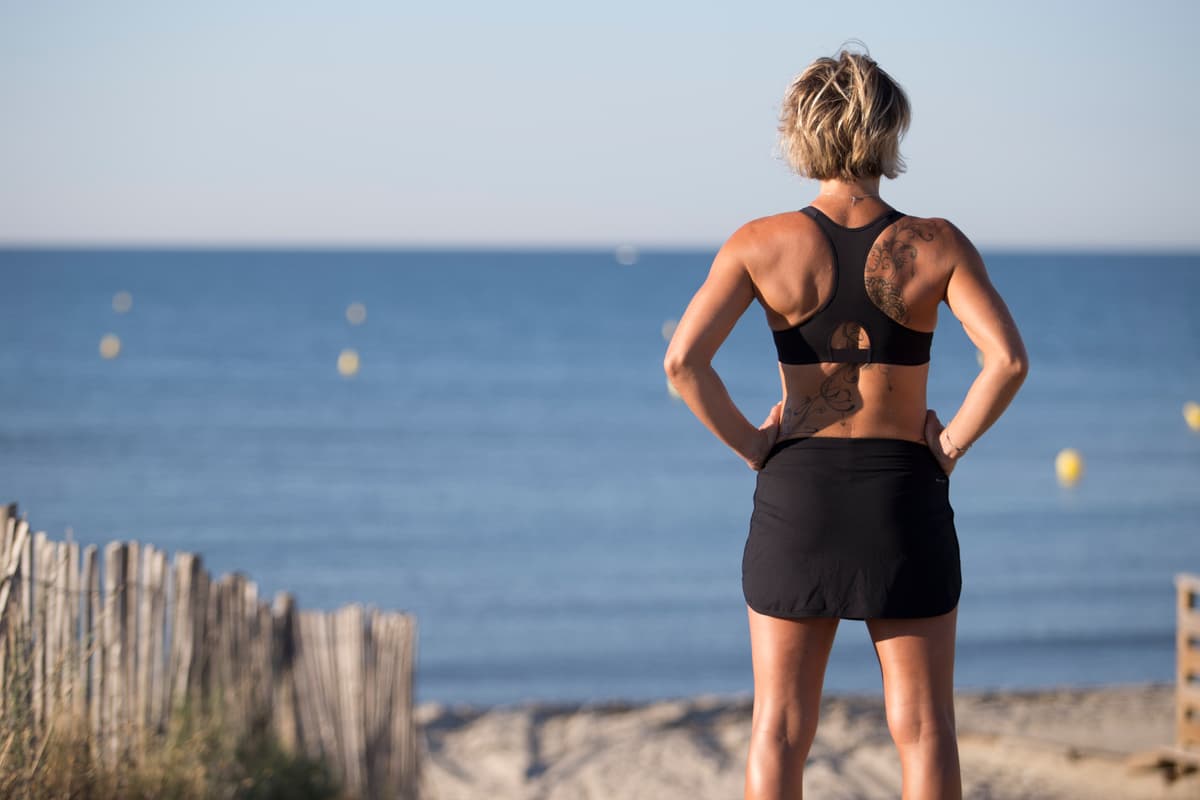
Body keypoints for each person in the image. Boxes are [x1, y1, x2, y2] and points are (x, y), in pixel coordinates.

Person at [663, 48, 1028, 800]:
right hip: (903, 491)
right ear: (889, 130)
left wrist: (752, 444)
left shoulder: (759, 243)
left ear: (800, 132)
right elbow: (1008, 362)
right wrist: (949, 444)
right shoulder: (936, 243)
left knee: (780, 728)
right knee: (924, 727)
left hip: (799, 492)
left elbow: (683, 365)